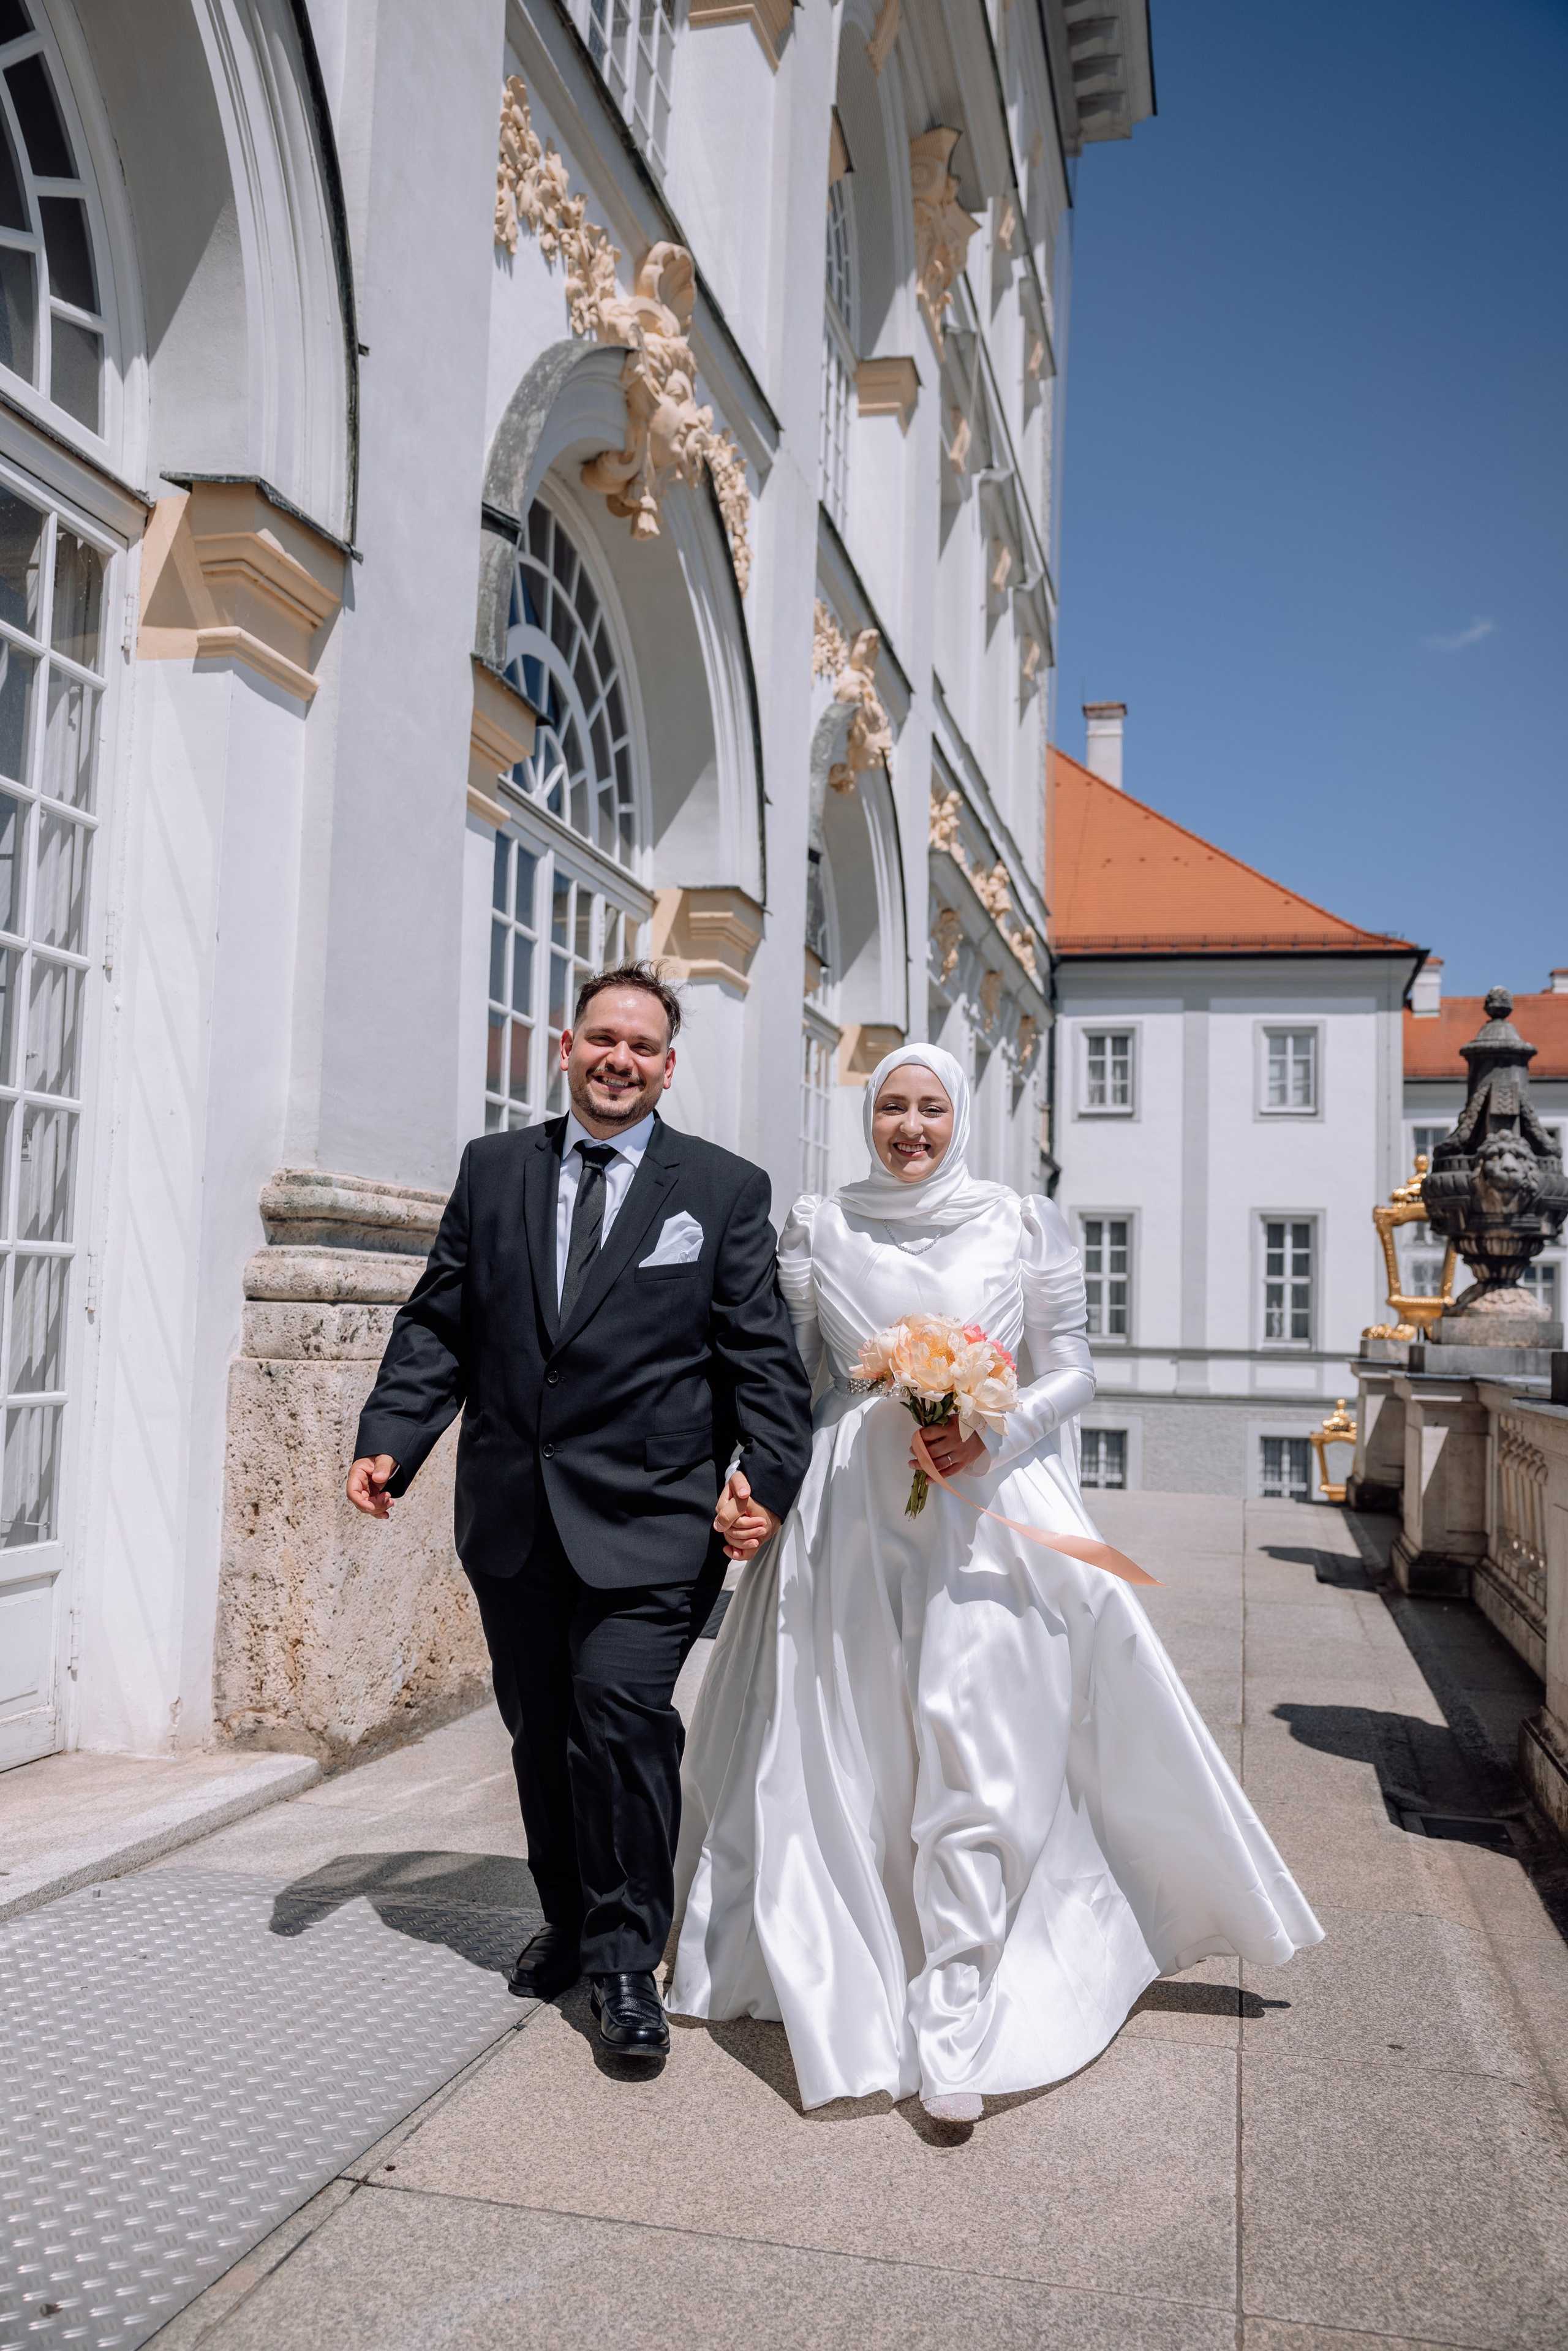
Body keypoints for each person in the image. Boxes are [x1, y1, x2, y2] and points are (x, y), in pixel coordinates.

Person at [669, 1043, 1323, 2123]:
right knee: (848, 1751)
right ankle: (845, 1962)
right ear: (865, 1117)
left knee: (980, 1743)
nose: (911, 1127)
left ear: (959, 1116)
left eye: (930, 1108)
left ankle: (959, 2014)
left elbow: (1075, 1367)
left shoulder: (1024, 1223)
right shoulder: (817, 1226)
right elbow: (784, 1380)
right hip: (848, 1523)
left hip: (988, 1514)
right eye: (891, 1107)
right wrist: (756, 1483)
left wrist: (997, 1424)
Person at [346, 965, 813, 2061]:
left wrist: (767, 1481)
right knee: (541, 1732)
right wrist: (391, 1438)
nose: (620, 1059)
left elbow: (764, 1364)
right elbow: (440, 1324)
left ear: (668, 1065)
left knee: (621, 1721)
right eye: (603, 1038)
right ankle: (569, 1915)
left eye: (643, 1046)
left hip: (653, 1518)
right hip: (512, 1512)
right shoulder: (494, 1168)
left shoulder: (724, 1191)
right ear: (566, 1046)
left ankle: (623, 1960)